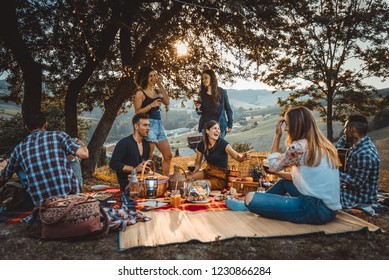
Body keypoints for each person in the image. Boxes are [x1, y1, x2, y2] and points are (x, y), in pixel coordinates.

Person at [226, 106, 341, 225]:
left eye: (287, 124)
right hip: (330, 210)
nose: (286, 129)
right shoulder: (326, 147)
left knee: (250, 198)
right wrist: (278, 174)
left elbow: (272, 166)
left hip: (313, 210)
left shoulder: (299, 147)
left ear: (296, 125)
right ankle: (261, 203)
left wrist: (277, 136)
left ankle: (251, 205)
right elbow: (300, 178)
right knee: (284, 183)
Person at [0, 112, 89, 206]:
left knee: (18, 166)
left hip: (42, 206)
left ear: (26, 127)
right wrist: (80, 143)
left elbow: (5, 175)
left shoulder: (19, 148)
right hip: (69, 198)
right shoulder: (59, 136)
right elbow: (84, 154)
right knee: (73, 158)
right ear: (46, 124)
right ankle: (77, 193)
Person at [189, 120, 251, 190]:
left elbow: (237, 156)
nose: (218, 130)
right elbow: (198, 163)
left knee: (200, 184)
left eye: (218, 129)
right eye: (215, 128)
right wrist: (193, 172)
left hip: (219, 177)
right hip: (208, 172)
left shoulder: (223, 144)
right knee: (188, 179)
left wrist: (243, 157)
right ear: (207, 130)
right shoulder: (201, 145)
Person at [134, 66, 172, 176]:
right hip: (148, 125)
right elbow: (137, 112)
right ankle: (146, 181)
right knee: (148, 157)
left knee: (168, 155)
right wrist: (152, 105)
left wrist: (160, 84)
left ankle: (165, 180)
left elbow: (167, 102)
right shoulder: (140, 93)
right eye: (150, 76)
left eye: (154, 75)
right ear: (145, 77)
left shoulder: (157, 91)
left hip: (159, 125)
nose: (153, 78)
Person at [336, 115, 380, 208]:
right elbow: (336, 151)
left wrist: (332, 173)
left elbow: (356, 183)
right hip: (346, 189)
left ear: (353, 129)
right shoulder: (349, 140)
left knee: (319, 193)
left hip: (357, 197)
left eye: (345, 128)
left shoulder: (364, 154)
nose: (344, 132)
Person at [110, 113, 151, 192]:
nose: (148, 128)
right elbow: (113, 164)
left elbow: (144, 163)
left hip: (144, 187)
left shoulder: (146, 144)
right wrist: (134, 169)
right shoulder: (123, 143)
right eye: (145, 125)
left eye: (149, 125)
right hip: (127, 188)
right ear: (136, 126)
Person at [194, 69, 233, 139]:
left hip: (219, 127)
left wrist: (229, 125)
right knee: (209, 149)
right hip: (206, 127)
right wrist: (198, 107)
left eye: (206, 78)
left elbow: (228, 110)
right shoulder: (201, 94)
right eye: (202, 79)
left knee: (218, 148)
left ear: (212, 78)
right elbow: (199, 113)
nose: (203, 80)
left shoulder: (221, 92)